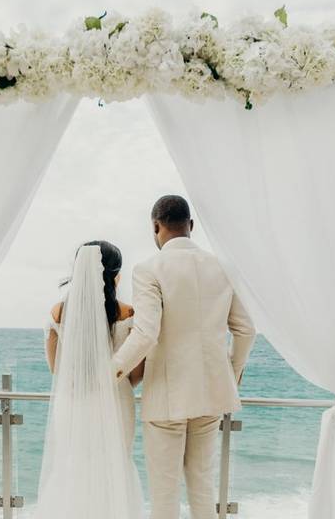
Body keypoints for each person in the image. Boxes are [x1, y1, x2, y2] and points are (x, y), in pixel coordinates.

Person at [113, 196, 256, 519]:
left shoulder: (149, 269)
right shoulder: (223, 267)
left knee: (165, 495)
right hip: (211, 395)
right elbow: (246, 330)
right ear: (191, 226)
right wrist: (230, 375)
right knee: (202, 488)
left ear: (155, 226)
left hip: (167, 397)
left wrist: (110, 372)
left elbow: (146, 334)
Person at [37, 240, 144, 519]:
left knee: (72, 467)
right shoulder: (128, 314)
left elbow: (56, 370)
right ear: (116, 275)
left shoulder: (58, 313)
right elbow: (136, 374)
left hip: (72, 403)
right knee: (115, 468)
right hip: (116, 402)